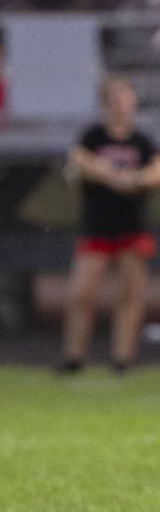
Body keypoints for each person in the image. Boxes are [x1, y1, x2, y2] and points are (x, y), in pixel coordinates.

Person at [60, 78, 160, 374]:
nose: (121, 104)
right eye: (115, 98)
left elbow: (152, 174)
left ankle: (122, 358)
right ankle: (74, 357)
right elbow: (78, 163)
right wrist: (111, 175)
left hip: (132, 226)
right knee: (81, 294)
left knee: (130, 295)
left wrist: (132, 179)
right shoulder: (93, 136)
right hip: (97, 226)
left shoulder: (141, 140)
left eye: (125, 97)